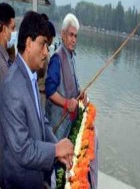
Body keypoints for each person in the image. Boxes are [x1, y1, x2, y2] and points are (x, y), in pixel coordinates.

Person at [0, 11, 74, 188]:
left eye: (47, 46)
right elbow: (22, 150)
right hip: (19, 182)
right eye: (42, 44)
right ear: (28, 43)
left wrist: (57, 145)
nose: (46, 52)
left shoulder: (30, 76)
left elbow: (43, 121)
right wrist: (55, 150)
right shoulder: (12, 86)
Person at [45, 13, 98, 188]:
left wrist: (79, 93)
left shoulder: (71, 56)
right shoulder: (56, 58)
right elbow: (50, 90)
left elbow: (71, 87)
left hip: (69, 124)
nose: (74, 39)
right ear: (63, 34)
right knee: (54, 168)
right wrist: (67, 103)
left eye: (76, 36)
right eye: (71, 35)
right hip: (57, 125)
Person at [0, 2, 16, 83]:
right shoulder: (2, 66)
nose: (14, 32)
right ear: (4, 29)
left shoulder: (6, 57)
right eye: (12, 28)